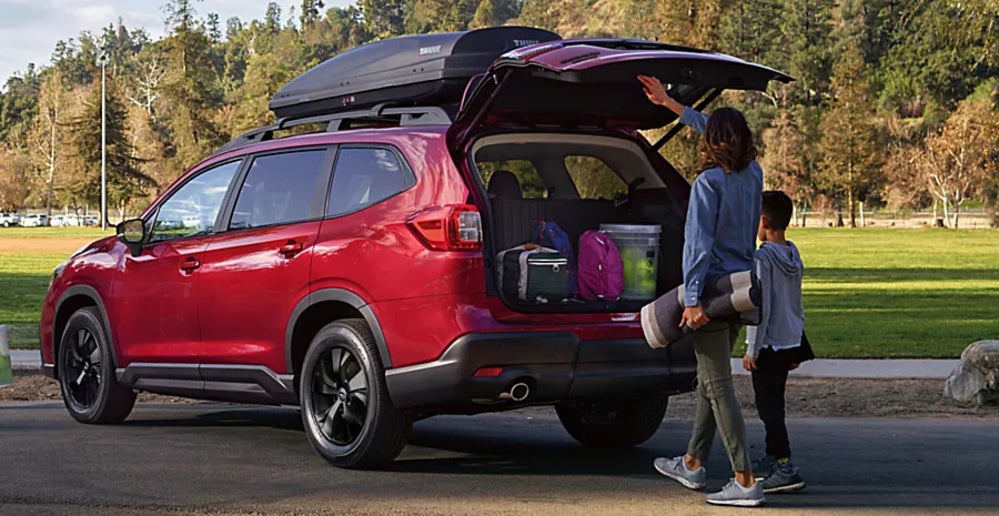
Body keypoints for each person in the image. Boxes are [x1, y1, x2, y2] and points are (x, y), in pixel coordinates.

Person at [637, 74, 764, 507]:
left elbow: (698, 247)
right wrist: (672, 106)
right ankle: (692, 463)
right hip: (740, 291)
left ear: (712, 143)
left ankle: (744, 479)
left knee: (719, 387)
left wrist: (691, 301)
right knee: (713, 382)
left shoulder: (709, 184)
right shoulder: (753, 175)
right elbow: (721, 128)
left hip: (709, 293)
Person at [743, 190, 807, 493]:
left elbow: (760, 307)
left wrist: (751, 349)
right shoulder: (793, 254)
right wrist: (797, 342)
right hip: (788, 340)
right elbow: (795, 303)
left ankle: (784, 466)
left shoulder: (763, 259)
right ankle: (772, 456)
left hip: (768, 344)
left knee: (769, 408)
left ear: (764, 221)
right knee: (774, 402)